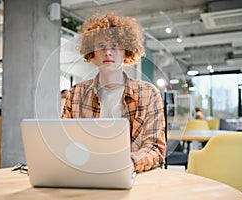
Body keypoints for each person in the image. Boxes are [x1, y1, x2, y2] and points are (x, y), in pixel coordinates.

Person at [61, 12, 166, 173]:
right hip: (85, 174)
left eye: (115, 46)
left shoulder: (148, 94)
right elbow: (64, 141)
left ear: (126, 52)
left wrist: (130, 163)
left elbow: (155, 148)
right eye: (101, 46)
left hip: (131, 175)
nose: (108, 52)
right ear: (92, 54)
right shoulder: (76, 94)